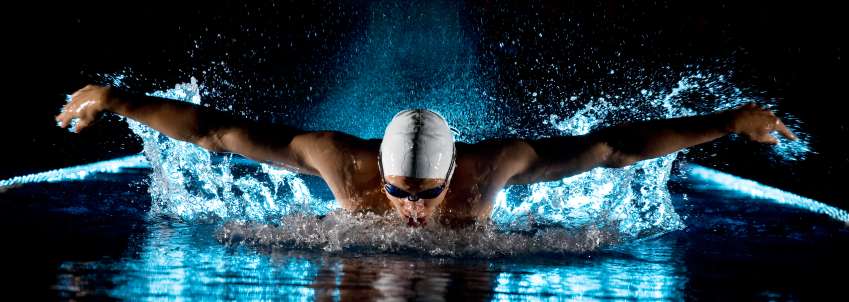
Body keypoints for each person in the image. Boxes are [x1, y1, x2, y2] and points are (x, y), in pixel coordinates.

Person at [56, 85, 797, 227]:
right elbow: (217, 132)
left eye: (424, 193)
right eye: (399, 190)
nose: (409, 208)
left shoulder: (489, 172)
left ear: (453, 173)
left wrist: (731, 120)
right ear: (376, 169)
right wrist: (117, 101)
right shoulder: (338, 162)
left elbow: (613, 148)